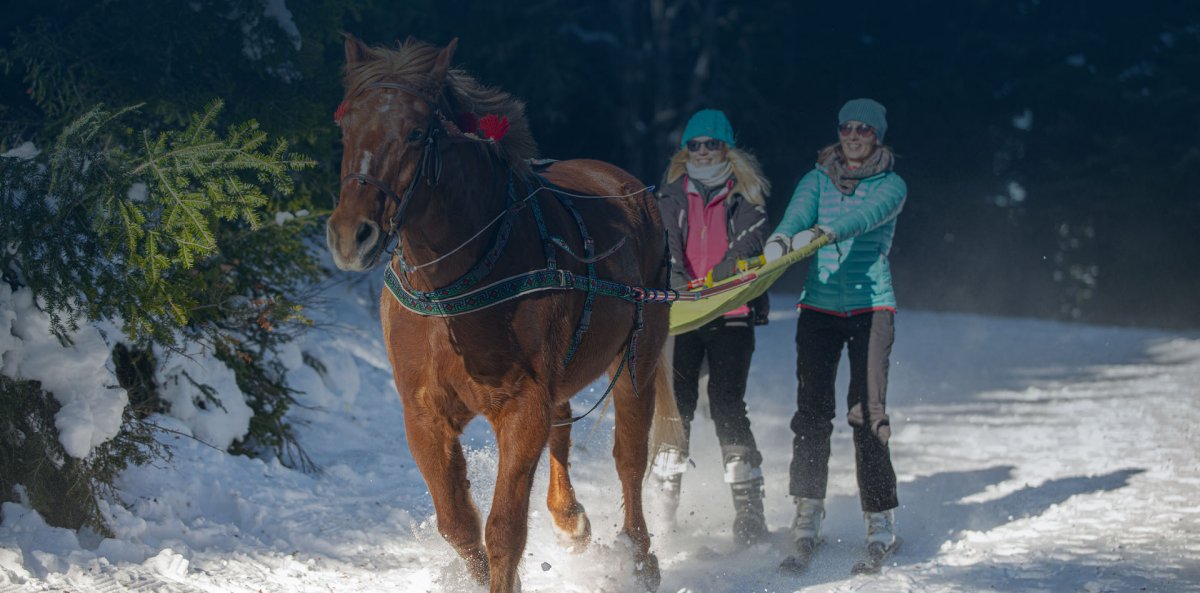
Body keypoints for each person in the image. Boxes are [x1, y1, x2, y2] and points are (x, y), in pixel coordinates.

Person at [764, 98, 906, 563]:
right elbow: (795, 217)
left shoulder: (892, 184)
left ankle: (880, 518)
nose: (854, 135)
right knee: (811, 413)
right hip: (819, 307)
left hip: (871, 308)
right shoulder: (816, 178)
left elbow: (863, 219)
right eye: (847, 127)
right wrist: (782, 240)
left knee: (866, 413)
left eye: (865, 129)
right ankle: (807, 512)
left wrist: (825, 233)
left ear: (877, 136)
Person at [651, 108, 771, 546]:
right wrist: (682, 285)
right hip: (683, 315)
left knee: (726, 403)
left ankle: (749, 512)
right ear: (686, 151)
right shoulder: (668, 197)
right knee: (674, 411)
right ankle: (663, 515)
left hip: (732, 313)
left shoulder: (748, 197)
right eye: (694, 145)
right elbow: (666, 245)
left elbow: (749, 244)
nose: (703, 152)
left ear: (726, 148)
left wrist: (718, 281)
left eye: (712, 144)